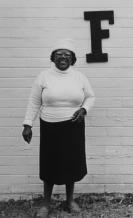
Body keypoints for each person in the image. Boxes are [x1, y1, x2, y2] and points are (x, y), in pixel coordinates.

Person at [22, 39, 95, 217]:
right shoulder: (44, 76)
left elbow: (91, 97)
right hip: (50, 127)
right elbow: (34, 101)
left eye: (67, 55)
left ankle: (69, 201)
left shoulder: (79, 77)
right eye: (59, 54)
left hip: (73, 127)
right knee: (50, 165)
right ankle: (46, 204)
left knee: (71, 163)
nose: (63, 57)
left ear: (72, 59)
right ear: (53, 57)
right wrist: (27, 124)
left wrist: (84, 109)